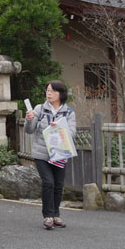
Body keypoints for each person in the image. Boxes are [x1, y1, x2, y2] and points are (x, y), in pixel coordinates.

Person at [24, 80, 77, 230]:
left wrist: (60, 127)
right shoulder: (40, 109)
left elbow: (72, 133)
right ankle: (47, 216)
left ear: (61, 94)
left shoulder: (68, 112)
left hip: (60, 153)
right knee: (48, 182)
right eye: (47, 90)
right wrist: (29, 120)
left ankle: (56, 215)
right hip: (41, 152)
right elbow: (29, 130)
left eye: (53, 91)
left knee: (59, 185)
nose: (49, 93)